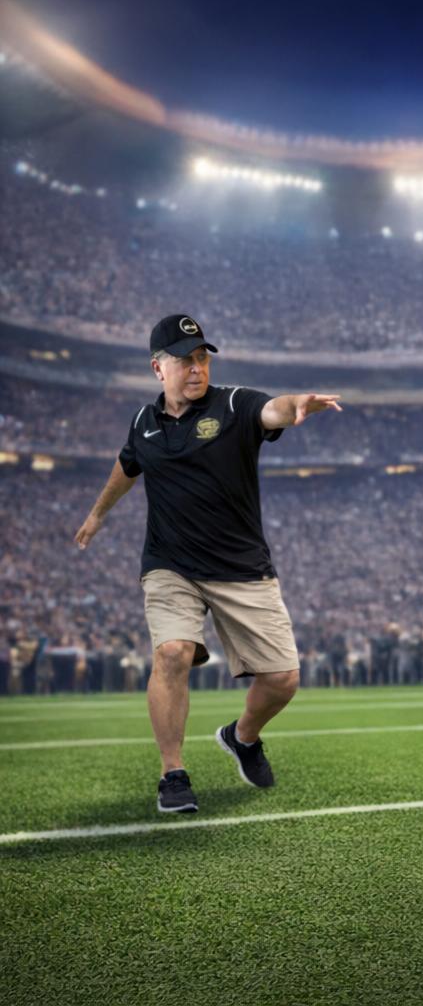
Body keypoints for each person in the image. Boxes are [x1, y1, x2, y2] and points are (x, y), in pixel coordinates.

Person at [74, 313, 341, 814]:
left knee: (283, 679)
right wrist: (97, 513)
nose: (197, 368)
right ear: (158, 368)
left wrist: (296, 405)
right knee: (172, 652)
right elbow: (127, 466)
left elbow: (273, 410)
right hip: (170, 564)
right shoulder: (143, 422)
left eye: (202, 358)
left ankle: (242, 736)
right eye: (185, 360)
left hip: (241, 566)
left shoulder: (234, 404)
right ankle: (172, 773)